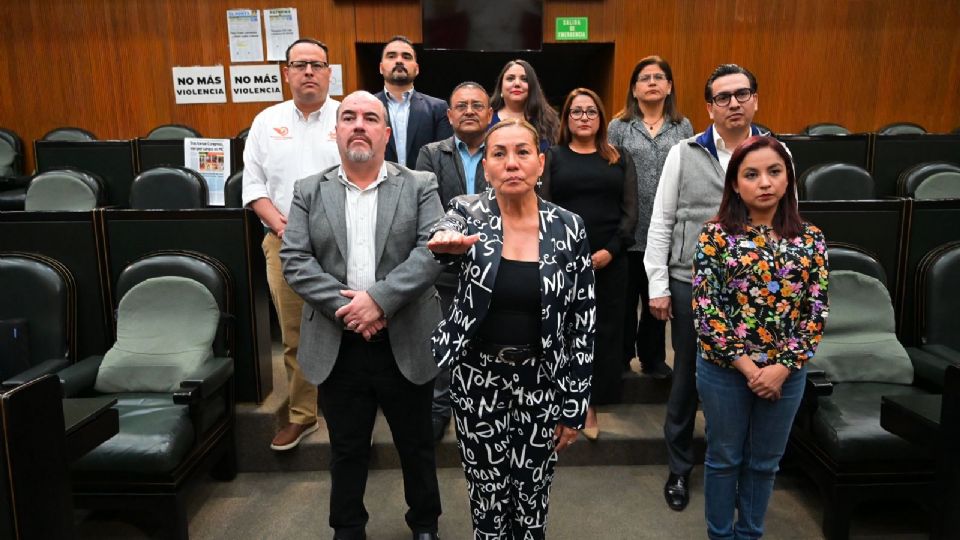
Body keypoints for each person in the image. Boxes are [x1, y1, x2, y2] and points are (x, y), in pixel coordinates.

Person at [280, 91, 444, 540]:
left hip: (404, 337)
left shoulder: (419, 184)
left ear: (385, 134)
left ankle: (425, 524)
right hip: (340, 342)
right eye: (347, 117)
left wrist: (380, 301)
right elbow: (294, 259)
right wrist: (351, 309)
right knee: (346, 447)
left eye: (370, 118)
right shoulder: (309, 190)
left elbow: (432, 250)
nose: (358, 124)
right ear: (335, 132)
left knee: (416, 445)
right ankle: (348, 527)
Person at [428, 119, 595, 539]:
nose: (511, 163)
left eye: (522, 152)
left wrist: (574, 403)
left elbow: (582, 320)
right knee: (487, 496)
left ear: (540, 163)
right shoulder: (467, 212)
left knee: (532, 493)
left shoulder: (568, 226)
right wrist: (444, 244)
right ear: (486, 167)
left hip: (542, 379)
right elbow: (443, 235)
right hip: (478, 378)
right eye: (499, 154)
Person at [692, 135, 828, 539]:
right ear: (736, 183)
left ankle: (750, 533)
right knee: (724, 458)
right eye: (751, 174)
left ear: (788, 180)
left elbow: (815, 312)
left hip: (786, 373)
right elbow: (706, 309)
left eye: (774, 172)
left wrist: (781, 368)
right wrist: (751, 370)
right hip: (725, 370)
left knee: (765, 462)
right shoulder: (715, 235)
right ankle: (720, 534)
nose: (764, 182)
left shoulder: (811, 239)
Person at [644, 64, 766, 511]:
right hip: (688, 280)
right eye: (723, 97)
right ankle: (679, 466)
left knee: (738, 378)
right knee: (690, 376)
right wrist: (657, 284)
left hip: (755, 289)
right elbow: (661, 220)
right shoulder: (684, 151)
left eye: (742, 94)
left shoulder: (775, 152)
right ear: (709, 107)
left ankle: (727, 467)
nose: (733, 103)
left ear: (755, 99)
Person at [242, 37, 340, 451]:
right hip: (284, 243)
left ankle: (349, 409)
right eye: (299, 65)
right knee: (296, 332)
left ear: (329, 72)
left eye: (317, 65)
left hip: (344, 242)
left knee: (353, 325)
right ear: (286, 73)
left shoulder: (348, 114)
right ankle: (302, 414)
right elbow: (254, 186)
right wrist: (283, 227)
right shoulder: (266, 121)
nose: (309, 72)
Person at [541, 88, 637, 440]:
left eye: (591, 111)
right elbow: (544, 210)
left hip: (611, 261)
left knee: (604, 332)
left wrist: (610, 250)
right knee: (567, 332)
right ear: (566, 119)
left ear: (601, 118)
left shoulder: (619, 156)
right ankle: (566, 399)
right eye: (576, 111)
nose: (584, 117)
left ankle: (591, 401)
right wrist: (571, 254)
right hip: (564, 263)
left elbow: (630, 213)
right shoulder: (552, 157)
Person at [415, 81, 493, 441]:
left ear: (490, 113)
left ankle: (481, 405)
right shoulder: (431, 153)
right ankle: (439, 407)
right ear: (449, 115)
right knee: (445, 333)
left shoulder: (502, 149)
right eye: (461, 105)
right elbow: (431, 208)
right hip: (446, 263)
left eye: (478, 105)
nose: (469, 111)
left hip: (496, 262)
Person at [608, 55, 694, 380]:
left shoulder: (682, 127)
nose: (653, 82)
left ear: (669, 86)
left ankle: (653, 358)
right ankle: (620, 357)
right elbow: (610, 173)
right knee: (625, 302)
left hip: (667, 233)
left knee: (658, 299)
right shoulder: (618, 127)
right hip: (629, 227)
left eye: (660, 77)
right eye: (645, 78)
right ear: (634, 87)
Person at [374, 35, 452, 169]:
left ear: (417, 69)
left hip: (424, 187)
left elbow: (443, 160)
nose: (399, 61)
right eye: (391, 56)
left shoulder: (438, 108)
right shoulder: (366, 107)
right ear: (381, 68)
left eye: (406, 56)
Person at [488, 59, 560, 151]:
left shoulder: (549, 121)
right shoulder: (486, 119)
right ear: (500, 88)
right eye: (510, 78)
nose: (517, 83)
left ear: (532, 87)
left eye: (524, 79)